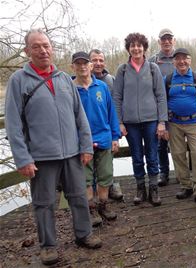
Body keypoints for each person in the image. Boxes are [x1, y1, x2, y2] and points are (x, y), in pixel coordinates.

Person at [5, 29, 101, 265]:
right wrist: (22, 158)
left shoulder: (63, 79)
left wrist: (86, 146)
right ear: (27, 51)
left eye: (46, 45)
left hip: (71, 153)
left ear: (52, 48)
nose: (43, 50)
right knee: (44, 203)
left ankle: (84, 234)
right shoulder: (19, 81)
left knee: (78, 196)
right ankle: (48, 246)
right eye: (36, 46)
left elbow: (80, 117)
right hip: (41, 156)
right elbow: (13, 123)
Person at [112, 32, 168, 206]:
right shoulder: (122, 70)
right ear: (128, 49)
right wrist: (119, 122)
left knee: (152, 155)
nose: (136, 48)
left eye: (139, 45)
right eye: (132, 46)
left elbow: (161, 96)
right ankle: (140, 189)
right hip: (130, 122)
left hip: (151, 120)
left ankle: (154, 189)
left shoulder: (153, 68)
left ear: (144, 48)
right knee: (137, 156)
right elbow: (117, 98)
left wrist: (161, 122)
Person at [71, 51, 121, 227]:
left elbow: (111, 114)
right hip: (82, 143)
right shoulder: (70, 90)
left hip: (104, 138)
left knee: (106, 175)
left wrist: (115, 136)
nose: (82, 66)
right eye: (78, 64)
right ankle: (91, 209)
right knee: (86, 179)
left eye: (85, 63)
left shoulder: (102, 87)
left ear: (90, 66)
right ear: (73, 67)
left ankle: (103, 205)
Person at [163, 48, 196, 207]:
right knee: (177, 154)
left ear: (189, 60)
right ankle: (186, 186)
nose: (181, 62)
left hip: (194, 123)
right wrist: (164, 125)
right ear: (174, 61)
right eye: (178, 59)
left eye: (185, 58)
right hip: (174, 123)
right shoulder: (168, 79)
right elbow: (162, 103)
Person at [89, 49, 124, 201]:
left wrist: (117, 129)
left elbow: (116, 104)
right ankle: (93, 194)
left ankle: (111, 185)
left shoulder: (110, 80)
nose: (98, 63)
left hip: (108, 128)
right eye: (94, 60)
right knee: (88, 165)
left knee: (107, 161)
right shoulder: (77, 81)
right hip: (88, 132)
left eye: (101, 60)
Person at [149, 28, 176, 187]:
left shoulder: (179, 57)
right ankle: (163, 172)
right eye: (163, 39)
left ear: (174, 40)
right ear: (159, 41)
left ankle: (182, 172)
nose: (166, 41)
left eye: (169, 38)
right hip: (158, 107)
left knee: (178, 143)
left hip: (175, 108)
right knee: (160, 143)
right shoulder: (153, 60)